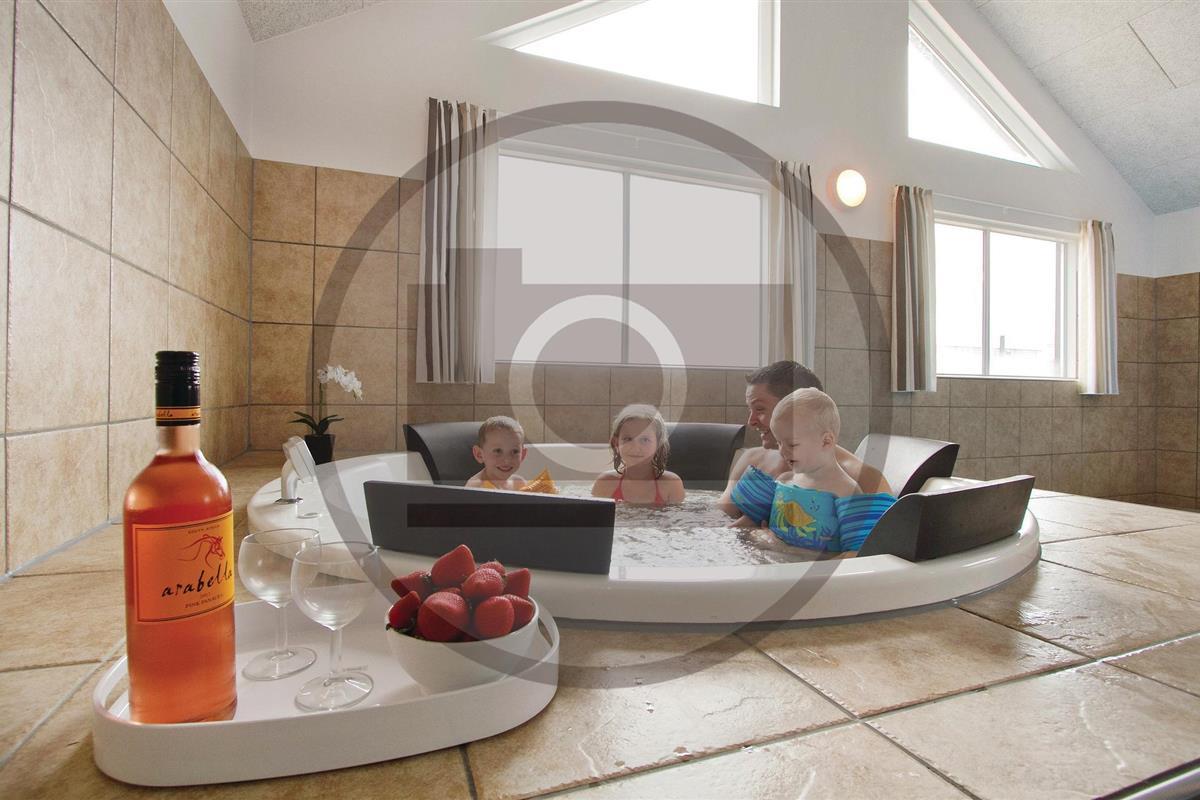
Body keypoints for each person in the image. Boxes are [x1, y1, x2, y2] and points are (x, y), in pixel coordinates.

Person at [719, 361, 890, 522]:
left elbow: (882, 540)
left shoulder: (864, 479)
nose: (751, 421)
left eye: (760, 409)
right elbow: (721, 520)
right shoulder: (753, 460)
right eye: (750, 410)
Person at [763, 388, 896, 555]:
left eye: (792, 444)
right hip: (780, 564)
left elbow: (855, 555)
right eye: (779, 443)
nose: (782, 451)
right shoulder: (785, 480)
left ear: (826, 441)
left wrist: (786, 550)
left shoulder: (846, 490)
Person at [592, 404, 685, 506]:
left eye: (645, 440)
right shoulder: (605, 483)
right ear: (616, 443)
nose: (635, 447)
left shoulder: (671, 484)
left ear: (658, 444)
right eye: (628, 439)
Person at [466, 416, 530, 490]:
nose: (507, 460)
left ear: (522, 455)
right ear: (479, 454)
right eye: (498, 451)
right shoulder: (475, 487)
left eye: (515, 451)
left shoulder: (519, 483)